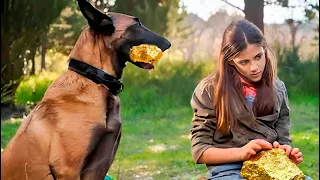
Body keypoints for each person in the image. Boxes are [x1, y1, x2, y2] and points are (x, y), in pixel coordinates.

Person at [190, 19, 312, 180]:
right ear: (230, 61)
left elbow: (283, 139)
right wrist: (241, 152)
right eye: (244, 62)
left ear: (265, 51)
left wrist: (286, 155)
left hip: (270, 167)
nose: (254, 67)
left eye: (258, 57)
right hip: (229, 169)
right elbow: (200, 151)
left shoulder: (278, 88)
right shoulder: (209, 90)